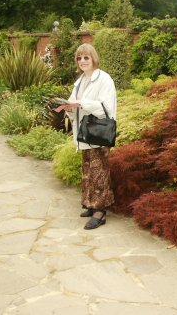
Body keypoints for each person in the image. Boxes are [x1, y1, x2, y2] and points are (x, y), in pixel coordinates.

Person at [56, 43, 117, 230]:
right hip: (84, 133)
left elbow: (106, 108)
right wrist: (69, 107)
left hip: (97, 132)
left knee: (99, 173)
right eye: (79, 58)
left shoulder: (104, 79)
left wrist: (82, 103)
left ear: (93, 58)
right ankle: (91, 204)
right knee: (89, 171)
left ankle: (100, 212)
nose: (82, 61)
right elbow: (76, 104)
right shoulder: (80, 81)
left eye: (86, 57)